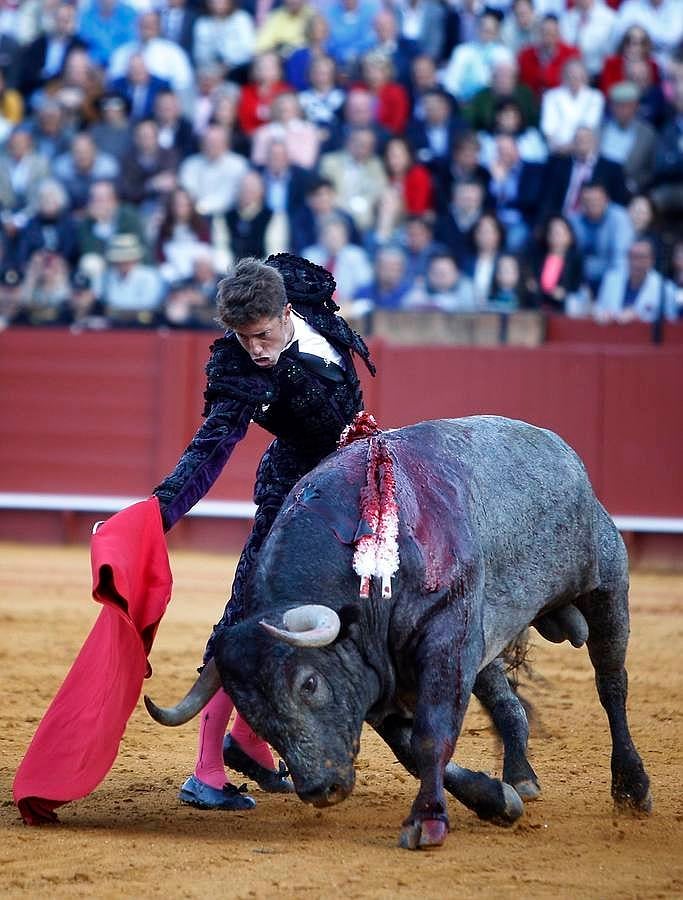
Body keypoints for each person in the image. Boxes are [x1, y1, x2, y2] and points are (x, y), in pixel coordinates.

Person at [152, 253, 375, 810]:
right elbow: (210, 450)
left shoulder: (298, 288)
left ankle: (250, 743)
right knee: (250, 612)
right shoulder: (237, 371)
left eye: (261, 332)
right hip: (294, 494)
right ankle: (206, 772)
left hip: (356, 477)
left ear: (284, 310)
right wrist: (158, 513)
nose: (254, 347)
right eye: (241, 335)